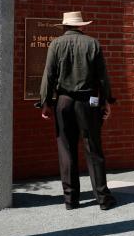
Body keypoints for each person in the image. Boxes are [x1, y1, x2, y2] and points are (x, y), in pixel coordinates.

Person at [36, 11, 117, 211]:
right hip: (88, 102)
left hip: (63, 101)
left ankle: (71, 200)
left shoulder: (55, 44)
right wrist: (107, 100)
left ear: (64, 26)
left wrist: (45, 102)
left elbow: (49, 75)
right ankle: (103, 199)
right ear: (81, 26)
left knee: (66, 149)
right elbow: (102, 77)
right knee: (93, 149)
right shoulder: (93, 44)